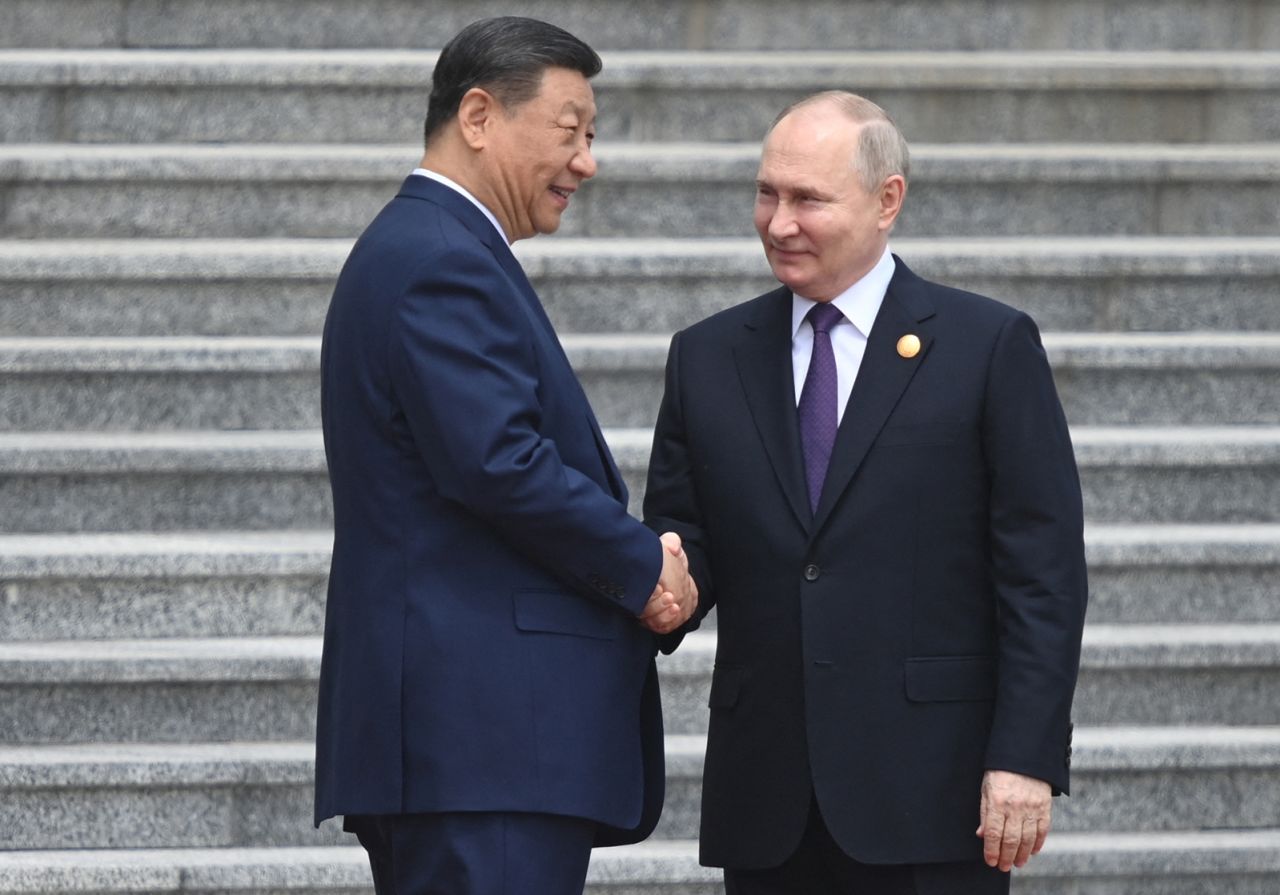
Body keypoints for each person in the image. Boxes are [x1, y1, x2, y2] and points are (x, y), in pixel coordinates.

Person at [643, 91, 1088, 894]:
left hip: (932, 789)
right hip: (769, 795)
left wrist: (1024, 755)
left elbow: (1042, 573)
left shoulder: (986, 347)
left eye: (809, 199)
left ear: (888, 201)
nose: (779, 223)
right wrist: (666, 582)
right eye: (767, 193)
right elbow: (686, 531)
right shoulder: (707, 356)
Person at [314, 17, 696, 895]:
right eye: (571, 132)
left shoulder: (432, 247)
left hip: (469, 745)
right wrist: (645, 564)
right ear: (479, 116)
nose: (588, 162)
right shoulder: (440, 258)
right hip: (481, 743)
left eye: (592, 138)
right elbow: (500, 464)